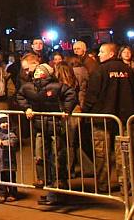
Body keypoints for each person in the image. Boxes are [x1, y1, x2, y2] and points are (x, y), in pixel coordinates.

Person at [16, 63, 78, 206]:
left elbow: (71, 94)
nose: (37, 72)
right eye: (36, 70)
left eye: (40, 70)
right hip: (40, 127)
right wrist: (27, 108)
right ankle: (47, 185)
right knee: (41, 156)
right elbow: (19, 95)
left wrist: (66, 110)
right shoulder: (29, 87)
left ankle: (58, 189)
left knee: (57, 157)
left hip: (55, 127)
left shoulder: (57, 86)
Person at [82, 42, 134, 193]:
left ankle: (102, 185)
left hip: (102, 120)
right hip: (124, 119)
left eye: (102, 52)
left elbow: (92, 95)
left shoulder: (99, 71)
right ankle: (126, 186)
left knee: (101, 154)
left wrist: (85, 112)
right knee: (124, 154)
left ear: (111, 53)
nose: (98, 55)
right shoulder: (128, 70)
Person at [0, 113, 19, 203]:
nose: (5, 124)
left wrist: (4, 143)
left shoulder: (11, 134)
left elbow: (13, 141)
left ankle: (12, 193)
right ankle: (2, 194)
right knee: (0, 178)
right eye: (2, 123)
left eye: (6, 122)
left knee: (11, 178)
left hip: (9, 162)